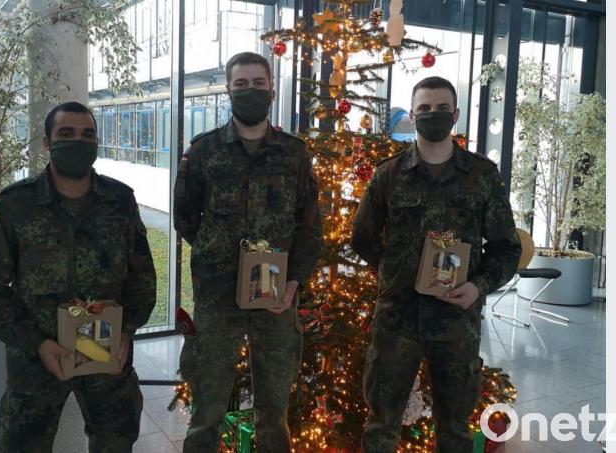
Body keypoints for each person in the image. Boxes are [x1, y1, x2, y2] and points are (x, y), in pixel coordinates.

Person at [0, 101, 157, 452]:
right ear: (47, 143)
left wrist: (127, 332)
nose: (78, 141)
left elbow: (142, 278)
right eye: (66, 134)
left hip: (106, 354)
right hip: (37, 356)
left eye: (87, 134)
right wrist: (36, 342)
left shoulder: (120, 201)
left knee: (115, 443)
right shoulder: (16, 205)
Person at [351, 76, 521, 452]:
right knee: (381, 425)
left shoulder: (481, 176)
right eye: (425, 109)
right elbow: (361, 235)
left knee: (456, 428)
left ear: (456, 115)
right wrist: (394, 270)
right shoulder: (389, 174)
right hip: (397, 319)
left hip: (457, 322)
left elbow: (506, 247)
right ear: (412, 116)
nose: (433, 115)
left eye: (442, 109)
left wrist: (477, 286)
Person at [173, 51, 322, 453]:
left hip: (276, 297)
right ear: (228, 90)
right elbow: (186, 218)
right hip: (217, 297)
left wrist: (293, 281)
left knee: (274, 412)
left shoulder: (294, 153)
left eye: (259, 83)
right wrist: (218, 255)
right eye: (241, 84)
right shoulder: (203, 151)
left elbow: (310, 226)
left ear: (272, 90)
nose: (250, 91)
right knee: (207, 410)